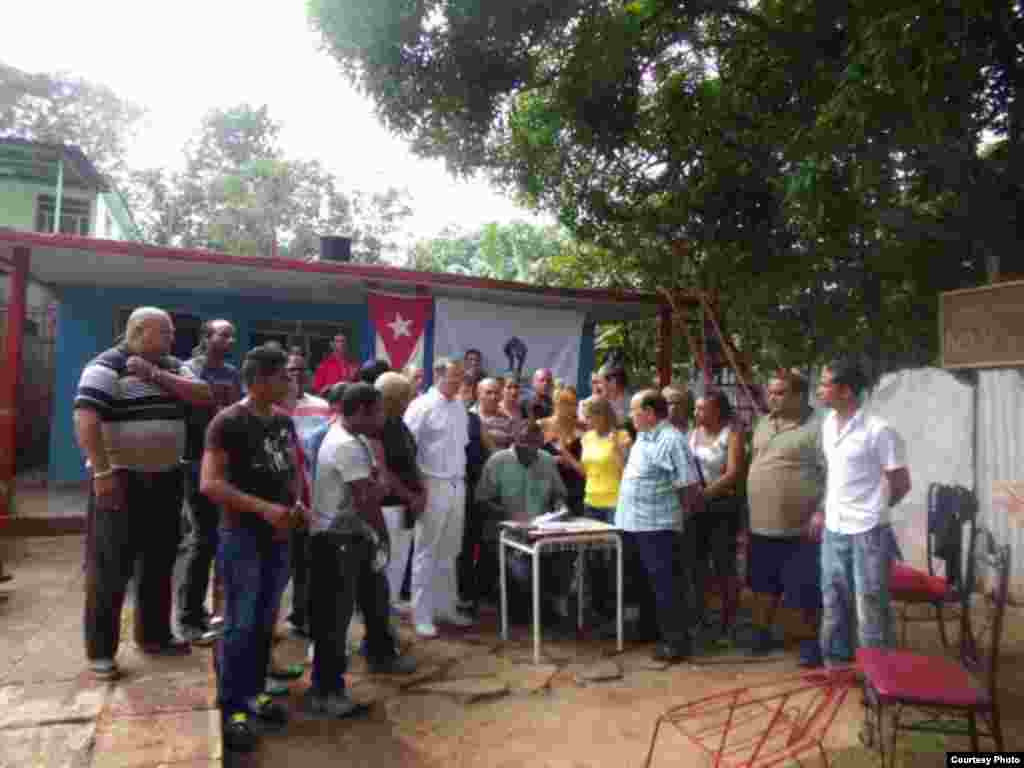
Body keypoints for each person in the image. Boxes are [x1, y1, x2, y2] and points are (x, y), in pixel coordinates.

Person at [75, 307, 213, 681]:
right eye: (165, 333)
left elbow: (202, 395)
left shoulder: (170, 364)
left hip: (165, 478)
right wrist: (102, 472)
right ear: (138, 332)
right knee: (110, 567)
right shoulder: (105, 366)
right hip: (120, 479)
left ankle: (153, 637)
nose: (172, 339)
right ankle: (101, 652)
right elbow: (86, 420)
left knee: (159, 561)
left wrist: (154, 374)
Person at [200, 344, 302, 753]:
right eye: (282, 377)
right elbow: (210, 484)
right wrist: (265, 510)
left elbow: (291, 468)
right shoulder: (227, 423)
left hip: (278, 536)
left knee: (264, 621)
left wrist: (294, 505)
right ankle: (234, 709)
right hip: (242, 536)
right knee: (240, 624)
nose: (288, 384)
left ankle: (256, 692)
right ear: (259, 381)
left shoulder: (282, 421)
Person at [305, 383, 417, 718]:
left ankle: (381, 653)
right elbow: (367, 498)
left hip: (353, 534)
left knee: (375, 595)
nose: (384, 418)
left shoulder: (357, 439)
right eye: (379, 411)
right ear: (361, 412)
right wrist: (382, 535)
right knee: (334, 618)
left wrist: (376, 490)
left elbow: (375, 485)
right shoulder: (345, 444)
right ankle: (326, 691)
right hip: (337, 539)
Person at [817, 359, 910, 668]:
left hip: (868, 531)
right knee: (833, 599)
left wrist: (874, 510)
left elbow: (900, 482)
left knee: (870, 604)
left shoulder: (879, 430)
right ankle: (838, 665)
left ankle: (879, 676)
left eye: (825, 384)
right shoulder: (828, 424)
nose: (820, 389)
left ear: (845, 391)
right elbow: (836, 476)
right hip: (834, 527)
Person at [746, 370, 829, 665]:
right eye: (771, 392)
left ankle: (810, 643)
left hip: (801, 526)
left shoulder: (819, 427)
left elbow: (831, 473)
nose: (772, 397)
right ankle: (761, 634)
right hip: (761, 523)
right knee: (761, 585)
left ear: (798, 395)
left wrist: (821, 510)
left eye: (779, 393)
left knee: (805, 587)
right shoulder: (764, 423)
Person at [616, 390, 702, 662]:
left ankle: (676, 643)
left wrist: (683, 520)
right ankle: (650, 631)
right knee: (644, 583)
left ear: (650, 413)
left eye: (634, 410)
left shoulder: (672, 440)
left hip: (659, 526)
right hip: (635, 523)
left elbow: (689, 485)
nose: (631, 415)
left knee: (667, 586)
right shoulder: (643, 435)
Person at [177, 319, 243, 644]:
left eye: (232, 335)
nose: (230, 339)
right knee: (202, 540)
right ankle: (189, 618)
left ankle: (213, 613)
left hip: (228, 462)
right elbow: (197, 406)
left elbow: (234, 410)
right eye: (223, 334)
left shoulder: (231, 373)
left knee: (222, 539)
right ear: (206, 337)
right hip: (196, 462)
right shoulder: (189, 369)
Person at [403, 357, 474, 637]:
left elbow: (462, 447)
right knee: (426, 550)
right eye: (454, 377)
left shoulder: (459, 406)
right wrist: (418, 487)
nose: (459, 382)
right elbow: (408, 449)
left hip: (457, 484)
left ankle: (446, 607)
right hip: (431, 483)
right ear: (438, 375)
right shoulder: (420, 406)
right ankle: (421, 614)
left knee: (450, 549)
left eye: (461, 377)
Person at [475, 420, 569, 618]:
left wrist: (560, 506)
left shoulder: (546, 460)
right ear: (515, 441)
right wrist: (509, 515)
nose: (530, 451)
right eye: (525, 445)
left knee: (565, 558)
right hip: (508, 534)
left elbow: (559, 494)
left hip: (541, 531)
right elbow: (482, 501)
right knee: (521, 573)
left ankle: (551, 605)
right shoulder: (497, 461)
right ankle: (525, 608)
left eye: (535, 446)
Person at [281, 353, 332, 638]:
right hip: (283, 494)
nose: (296, 375)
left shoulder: (321, 407)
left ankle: (301, 615)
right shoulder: (275, 406)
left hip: (314, 493)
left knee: (307, 560)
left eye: (302, 369)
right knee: (282, 562)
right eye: (291, 370)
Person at [689, 390, 745, 639]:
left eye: (703, 408)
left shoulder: (731, 434)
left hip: (722, 506)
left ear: (718, 411)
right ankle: (701, 615)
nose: (697, 412)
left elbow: (733, 472)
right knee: (697, 563)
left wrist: (706, 494)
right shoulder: (694, 433)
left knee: (724, 563)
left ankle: (729, 618)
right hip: (697, 507)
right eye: (697, 408)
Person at [374, 372, 425, 607]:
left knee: (399, 561)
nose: (408, 402)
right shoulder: (377, 426)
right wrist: (410, 495)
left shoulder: (399, 424)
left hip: (406, 504)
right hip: (388, 506)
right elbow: (384, 469)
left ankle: (390, 605)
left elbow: (411, 460)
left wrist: (420, 491)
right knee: (387, 562)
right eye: (405, 397)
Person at [580, 397, 632, 618]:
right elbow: (587, 470)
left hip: (614, 502)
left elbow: (627, 471)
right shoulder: (587, 438)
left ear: (602, 415)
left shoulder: (622, 436)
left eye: (590, 416)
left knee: (613, 558)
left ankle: (616, 608)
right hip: (591, 501)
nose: (587, 420)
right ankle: (598, 606)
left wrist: (616, 447)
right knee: (592, 557)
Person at [457, 371, 494, 612]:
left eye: (468, 390)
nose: (464, 394)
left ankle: (470, 592)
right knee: (458, 545)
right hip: (454, 486)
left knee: (471, 541)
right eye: (462, 389)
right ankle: (458, 591)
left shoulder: (473, 420)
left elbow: (488, 449)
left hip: (474, 488)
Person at [539, 387, 586, 518]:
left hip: (576, 490)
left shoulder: (582, 427)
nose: (573, 408)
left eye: (575, 403)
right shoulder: (542, 425)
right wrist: (553, 459)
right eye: (567, 403)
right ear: (556, 403)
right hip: (549, 489)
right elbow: (530, 457)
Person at [477, 377, 516, 449]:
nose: (493, 397)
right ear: (479, 395)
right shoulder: (471, 418)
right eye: (488, 393)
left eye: (496, 393)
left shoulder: (508, 419)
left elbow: (513, 445)